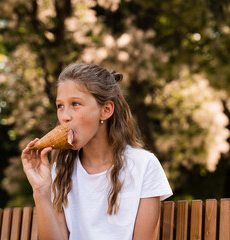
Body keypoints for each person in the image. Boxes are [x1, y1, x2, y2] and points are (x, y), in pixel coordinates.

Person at [21, 63, 173, 240]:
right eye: (60, 106)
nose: (64, 116)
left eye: (75, 104)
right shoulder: (60, 171)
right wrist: (41, 191)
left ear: (105, 110)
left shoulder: (144, 165)